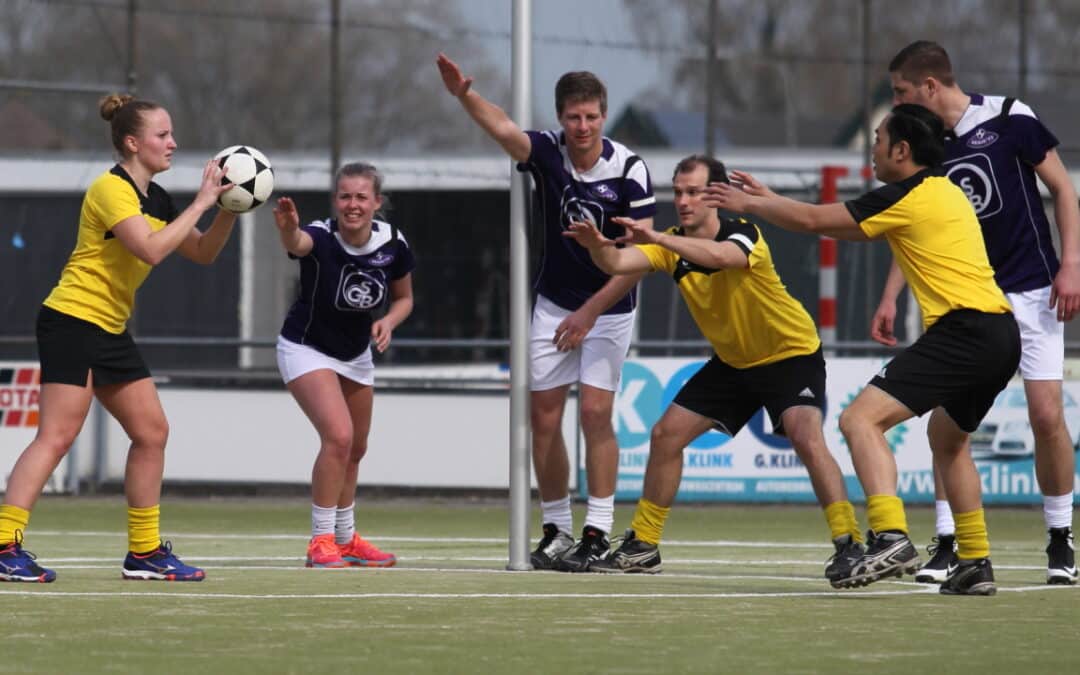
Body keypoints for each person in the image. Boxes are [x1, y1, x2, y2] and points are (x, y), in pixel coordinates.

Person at [704, 103, 1021, 595]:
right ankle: (976, 559)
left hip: (965, 331)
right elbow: (834, 225)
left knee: (859, 420)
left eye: (878, 139)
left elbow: (813, 221)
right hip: (1002, 335)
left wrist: (751, 205)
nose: (871, 149)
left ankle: (891, 535)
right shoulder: (944, 190)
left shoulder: (908, 193)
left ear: (902, 150)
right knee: (947, 438)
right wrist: (771, 198)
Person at [564, 155, 865, 580]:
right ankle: (643, 545)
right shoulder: (671, 243)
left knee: (805, 435)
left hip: (790, 354)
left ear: (716, 197)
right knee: (665, 435)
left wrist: (657, 240)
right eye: (679, 192)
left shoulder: (743, 233)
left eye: (694, 192)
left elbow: (722, 257)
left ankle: (850, 542)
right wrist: (596, 243)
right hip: (733, 364)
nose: (684, 201)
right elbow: (616, 264)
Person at [0, 94, 237, 582]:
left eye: (171, 134)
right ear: (132, 143)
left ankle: (145, 553)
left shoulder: (159, 198)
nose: (172, 143)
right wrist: (202, 202)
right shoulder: (111, 190)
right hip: (72, 319)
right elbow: (150, 251)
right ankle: (3, 545)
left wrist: (231, 207)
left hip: (108, 326)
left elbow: (203, 252)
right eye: (162, 135)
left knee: (152, 433)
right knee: (57, 436)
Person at [437, 53, 657, 572]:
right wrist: (464, 95)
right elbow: (505, 130)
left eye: (591, 117)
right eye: (573, 117)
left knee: (596, 414)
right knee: (542, 417)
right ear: (561, 118)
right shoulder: (549, 153)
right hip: (552, 305)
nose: (582, 127)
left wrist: (588, 313)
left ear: (604, 116)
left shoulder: (629, 170)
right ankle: (557, 528)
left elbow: (644, 258)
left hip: (608, 308)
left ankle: (598, 530)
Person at [873, 40, 1078, 586]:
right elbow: (914, 223)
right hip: (966, 298)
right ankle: (948, 543)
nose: (895, 103)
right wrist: (892, 294)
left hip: (1034, 290)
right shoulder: (926, 146)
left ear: (930, 86)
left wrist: (1072, 264)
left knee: (1046, 416)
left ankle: (1060, 537)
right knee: (949, 423)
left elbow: (1062, 189)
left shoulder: (1010, 118)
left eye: (900, 91)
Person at [272, 162, 413, 569]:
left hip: (356, 354)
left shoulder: (393, 242)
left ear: (377, 202)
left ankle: (346, 538)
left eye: (361, 197)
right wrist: (287, 227)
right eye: (345, 196)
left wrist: (388, 321)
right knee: (338, 437)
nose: (353, 204)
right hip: (306, 347)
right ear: (335, 201)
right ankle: (320, 541)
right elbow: (298, 242)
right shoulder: (320, 235)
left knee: (357, 447)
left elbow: (404, 298)